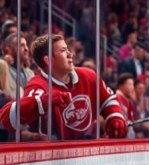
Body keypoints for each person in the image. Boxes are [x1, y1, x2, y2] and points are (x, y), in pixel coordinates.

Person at [0, 34, 128, 140]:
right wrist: (42, 102)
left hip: (89, 156)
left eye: (67, 49)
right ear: (49, 60)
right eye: (62, 51)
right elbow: (6, 118)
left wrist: (115, 116)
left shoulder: (89, 75)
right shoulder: (38, 85)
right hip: (58, 161)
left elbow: (108, 100)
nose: (70, 54)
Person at [114, 73, 137, 139]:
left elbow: (132, 120)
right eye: (129, 84)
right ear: (121, 86)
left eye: (133, 85)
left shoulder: (127, 101)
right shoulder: (117, 99)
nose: (132, 87)